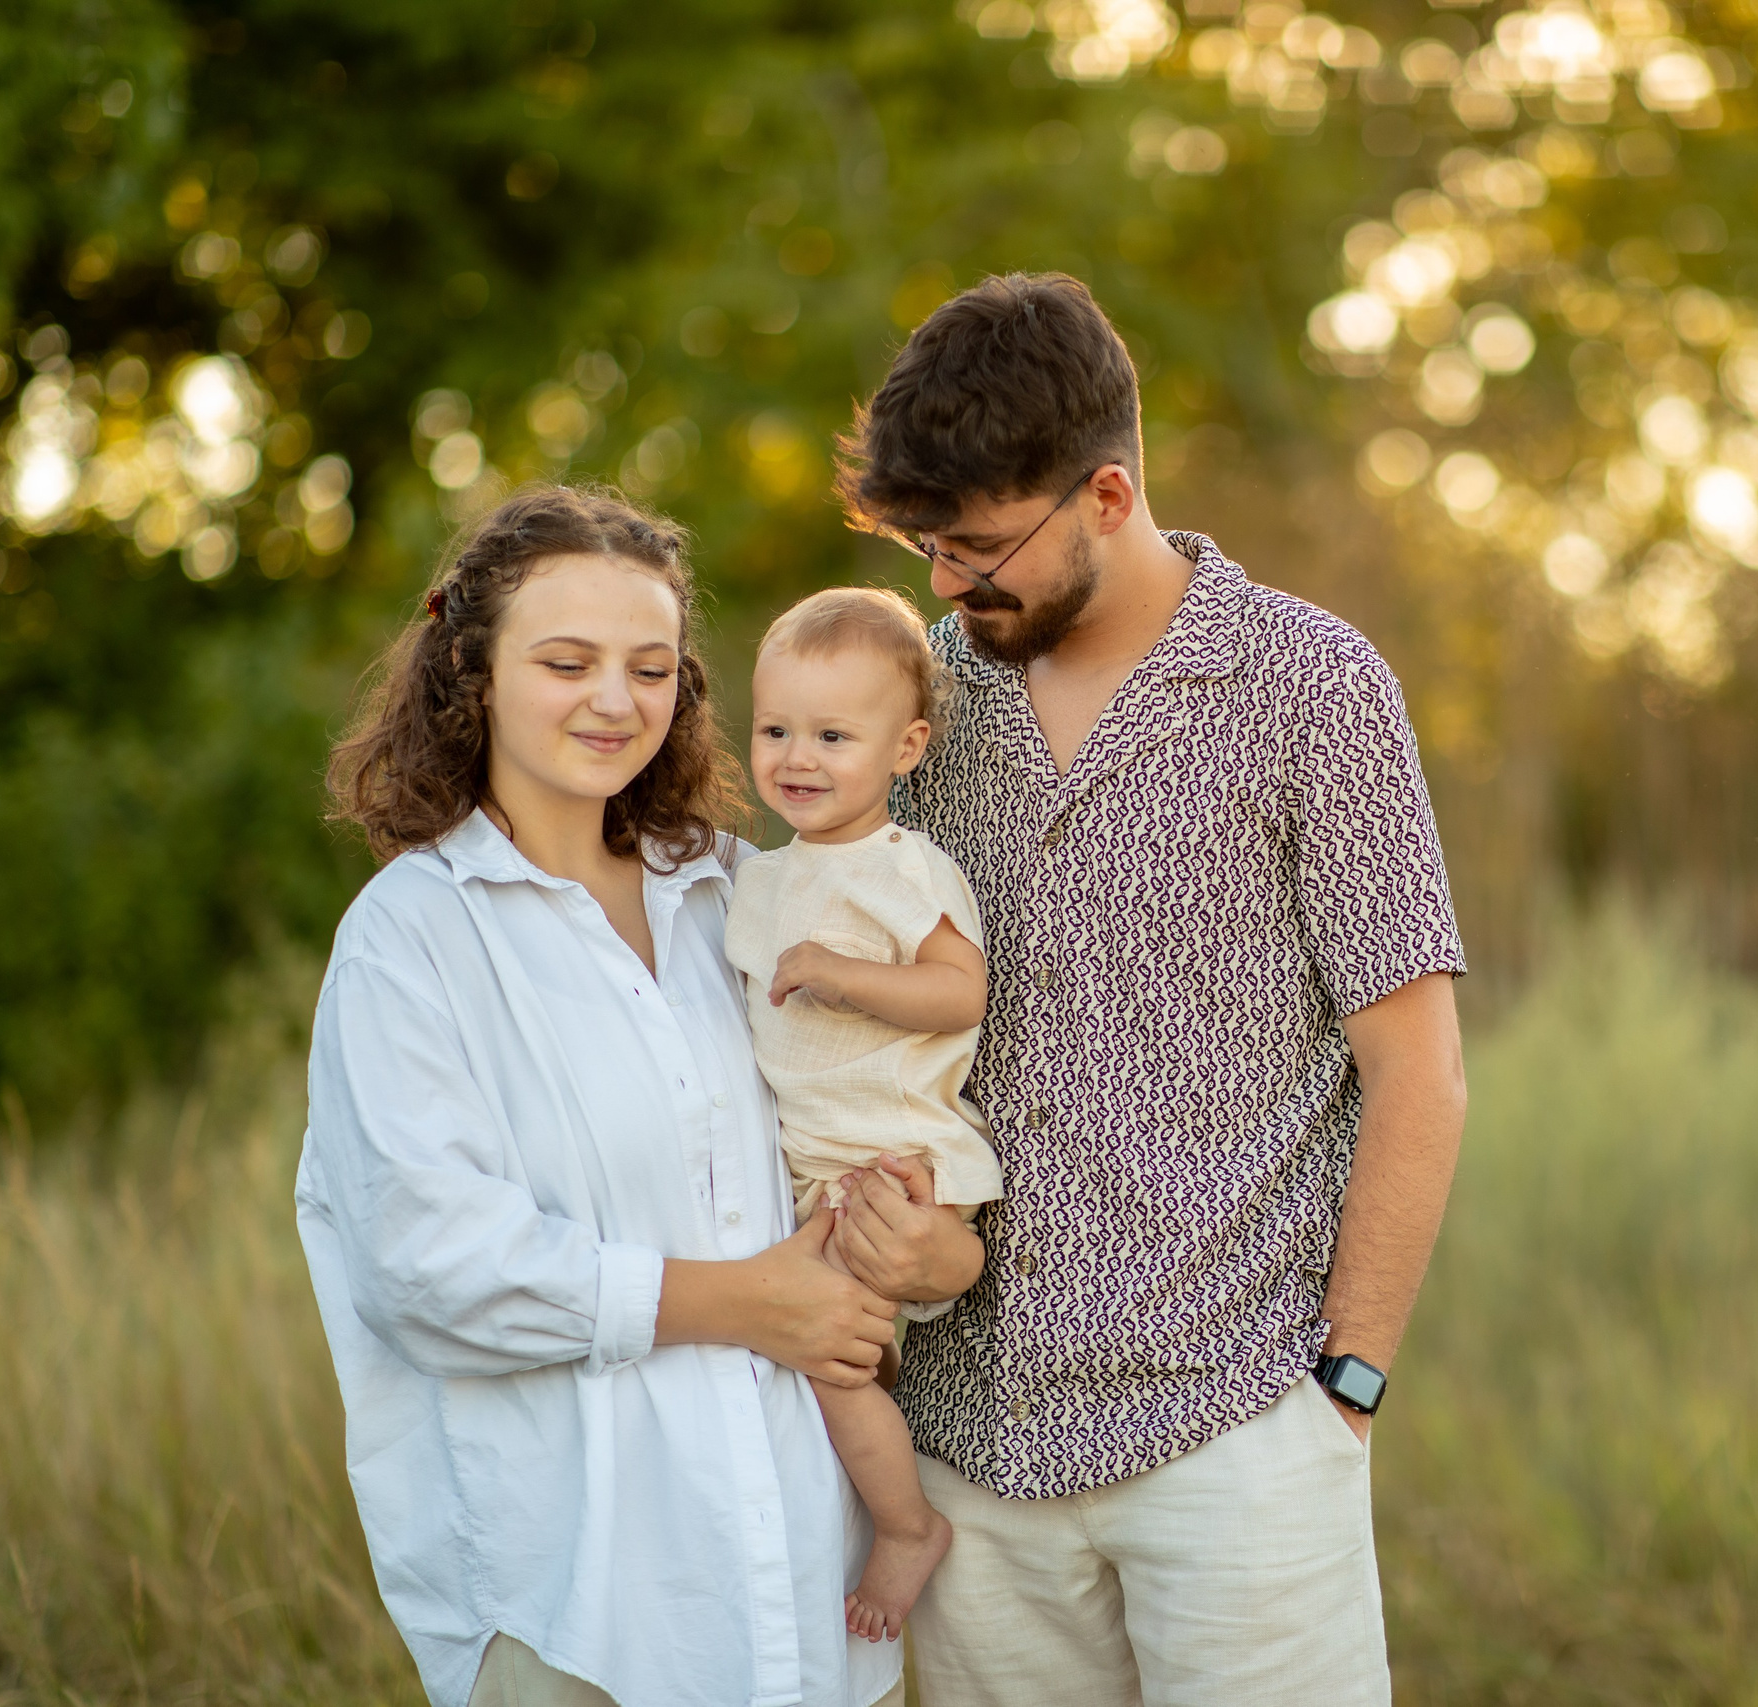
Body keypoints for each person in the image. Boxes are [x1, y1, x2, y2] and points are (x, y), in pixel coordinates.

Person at [837, 272, 1471, 1706]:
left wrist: (1347, 1389)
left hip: (1237, 1439)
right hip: (972, 1455)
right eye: (928, 543)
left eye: (981, 544)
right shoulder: (915, 705)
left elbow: (1418, 1070)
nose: (945, 580)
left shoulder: (1315, 686)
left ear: (1108, 496)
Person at [297, 485, 977, 1707]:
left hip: (807, 1602)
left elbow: (872, 1109)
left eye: (650, 667)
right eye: (567, 661)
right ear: (476, 671)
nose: (616, 701)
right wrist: (743, 1303)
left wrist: (935, 1250)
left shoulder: (741, 893)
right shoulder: (412, 939)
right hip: (583, 1610)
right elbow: (424, 1269)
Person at [724, 586, 1003, 1642]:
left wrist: (843, 976)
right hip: (818, 1165)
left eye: (833, 735)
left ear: (905, 747)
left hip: (894, 1159)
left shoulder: (903, 869)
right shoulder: (759, 878)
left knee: (828, 1361)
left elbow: (959, 992)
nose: (799, 755)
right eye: (776, 729)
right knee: (826, 1361)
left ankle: (903, 1527)